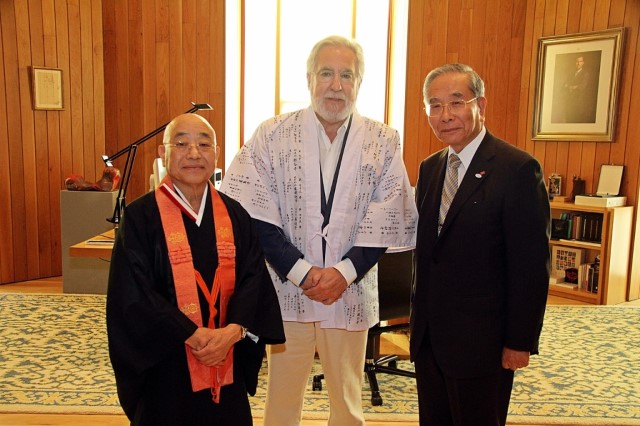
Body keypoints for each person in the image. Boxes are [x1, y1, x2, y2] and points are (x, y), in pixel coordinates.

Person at [221, 35, 418, 425]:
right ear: (309, 77)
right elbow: (253, 213)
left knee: (347, 402)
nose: (336, 84)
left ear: (360, 82)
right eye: (326, 73)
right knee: (281, 401)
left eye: (347, 75)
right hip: (287, 289)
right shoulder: (271, 134)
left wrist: (342, 274)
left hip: (351, 290)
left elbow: (386, 216)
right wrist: (302, 272)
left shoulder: (383, 141)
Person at [106, 113, 285, 425]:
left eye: (204, 144)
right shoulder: (139, 218)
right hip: (167, 361)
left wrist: (234, 331)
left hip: (226, 354)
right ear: (163, 153)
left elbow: (253, 278)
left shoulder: (235, 214)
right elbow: (134, 293)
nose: (193, 153)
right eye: (181, 144)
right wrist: (191, 334)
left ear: (216, 154)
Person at [411, 63, 550, 425]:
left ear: (481, 105)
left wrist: (519, 341)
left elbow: (531, 266)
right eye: (434, 105)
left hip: (483, 344)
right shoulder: (430, 168)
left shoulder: (517, 169)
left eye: (456, 103)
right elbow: (428, 256)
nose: (445, 115)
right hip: (431, 342)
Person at [563, 55, 596, 123]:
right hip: (570, 101)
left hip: (579, 101)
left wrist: (572, 87)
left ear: (583, 63)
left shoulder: (585, 73)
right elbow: (565, 84)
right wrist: (568, 86)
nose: (578, 63)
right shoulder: (571, 73)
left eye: (580, 61)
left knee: (577, 119)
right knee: (569, 118)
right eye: (577, 61)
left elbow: (582, 86)